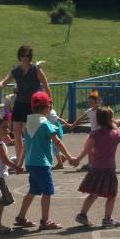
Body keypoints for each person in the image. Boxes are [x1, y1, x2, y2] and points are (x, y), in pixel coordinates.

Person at [71, 107, 120, 228]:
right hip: (109, 170)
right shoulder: (116, 134)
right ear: (110, 120)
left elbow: (86, 150)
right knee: (111, 195)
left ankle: (82, 215)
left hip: (95, 169)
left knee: (93, 193)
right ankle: (107, 219)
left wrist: (77, 159)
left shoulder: (94, 135)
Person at [14, 91, 73, 231]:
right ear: (47, 108)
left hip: (31, 163)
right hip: (42, 163)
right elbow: (57, 141)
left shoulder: (28, 124)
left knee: (33, 191)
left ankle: (21, 217)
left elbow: (25, 146)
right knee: (47, 191)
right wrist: (70, 157)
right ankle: (45, 221)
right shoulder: (45, 123)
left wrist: (19, 164)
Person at [0, 46, 52, 162]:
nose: (25, 58)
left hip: (32, 105)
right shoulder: (16, 71)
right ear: (20, 56)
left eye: (27, 56)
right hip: (19, 103)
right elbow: (3, 82)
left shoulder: (36, 69)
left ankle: (30, 158)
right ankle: (19, 160)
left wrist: (50, 101)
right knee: (16, 131)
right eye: (23, 56)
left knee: (30, 133)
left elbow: (46, 85)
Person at [69, 90, 101, 171]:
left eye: (91, 102)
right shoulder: (89, 111)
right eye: (89, 102)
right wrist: (73, 124)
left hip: (99, 133)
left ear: (97, 102)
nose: (90, 104)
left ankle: (95, 164)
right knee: (89, 149)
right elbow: (81, 118)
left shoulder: (100, 111)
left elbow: (108, 118)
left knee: (93, 149)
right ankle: (90, 164)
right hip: (93, 133)